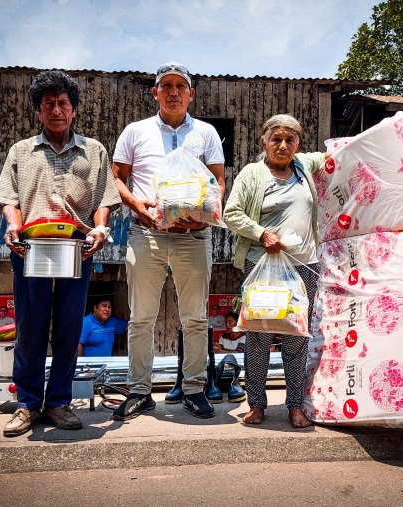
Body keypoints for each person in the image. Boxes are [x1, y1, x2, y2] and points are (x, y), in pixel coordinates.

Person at [0, 70, 121, 437]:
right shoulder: (21, 151)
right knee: (30, 328)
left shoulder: (93, 151)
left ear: (73, 110)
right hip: (28, 246)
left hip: (77, 248)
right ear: (38, 111)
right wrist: (12, 224)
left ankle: (59, 404)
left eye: (63, 103)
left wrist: (100, 228)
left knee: (67, 327)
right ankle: (28, 404)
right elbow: (8, 199)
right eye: (49, 104)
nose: (57, 110)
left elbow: (104, 200)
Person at [111, 62, 226, 420]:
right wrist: (136, 205)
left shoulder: (206, 133)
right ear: (155, 92)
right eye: (166, 86)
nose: (173, 92)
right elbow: (115, 179)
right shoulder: (135, 131)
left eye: (181, 86)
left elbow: (218, 183)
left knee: (194, 318)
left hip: (193, 237)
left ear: (191, 94)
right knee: (141, 318)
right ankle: (140, 391)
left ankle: (193, 388)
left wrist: (205, 212)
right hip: (147, 234)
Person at [223, 114, 329, 428]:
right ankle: (256, 404)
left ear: (298, 144)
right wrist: (261, 233)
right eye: (276, 140)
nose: (282, 146)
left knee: (297, 337)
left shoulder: (303, 167)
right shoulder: (253, 173)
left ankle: (295, 406)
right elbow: (232, 213)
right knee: (259, 336)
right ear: (264, 142)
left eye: (289, 140)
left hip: (304, 266)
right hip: (263, 267)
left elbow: (335, 153)